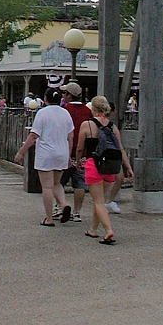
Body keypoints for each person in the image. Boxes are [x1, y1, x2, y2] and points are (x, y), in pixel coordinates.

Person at [75, 95, 133, 244]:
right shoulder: (113, 126)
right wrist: (128, 167)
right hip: (110, 167)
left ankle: (108, 230)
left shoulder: (87, 125)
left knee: (99, 201)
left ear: (93, 108)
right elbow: (120, 148)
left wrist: (77, 161)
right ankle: (93, 229)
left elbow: (81, 147)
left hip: (94, 164)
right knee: (99, 199)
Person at [15, 88, 73, 227]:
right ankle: (63, 204)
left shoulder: (42, 113)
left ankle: (49, 218)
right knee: (57, 183)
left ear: (45, 99)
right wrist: (69, 155)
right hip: (62, 152)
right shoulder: (66, 113)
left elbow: (34, 135)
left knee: (47, 186)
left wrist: (21, 152)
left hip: (46, 153)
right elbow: (71, 136)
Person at [58, 81, 91, 221]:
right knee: (80, 184)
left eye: (64, 93)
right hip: (83, 152)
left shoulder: (65, 110)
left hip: (66, 151)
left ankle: (59, 206)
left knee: (59, 182)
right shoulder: (87, 111)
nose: (63, 95)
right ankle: (77, 212)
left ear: (69, 95)